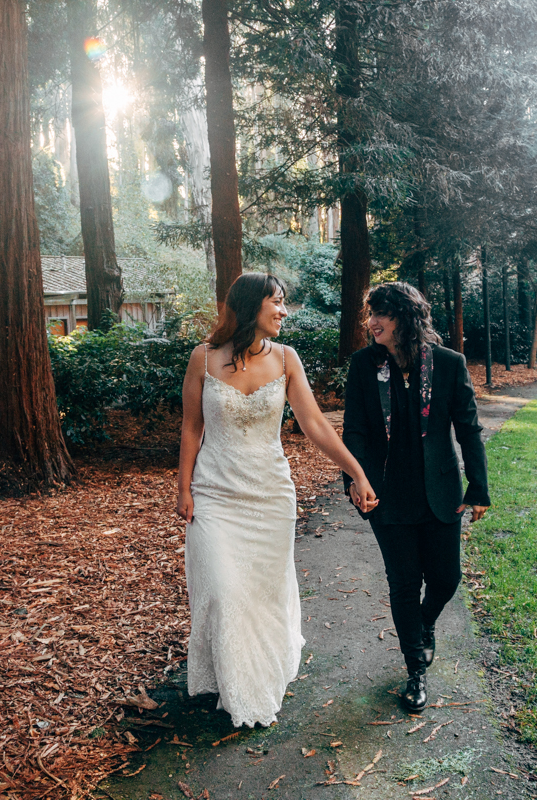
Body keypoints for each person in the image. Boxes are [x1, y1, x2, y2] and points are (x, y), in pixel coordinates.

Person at [176, 272, 378, 728]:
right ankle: (233, 680)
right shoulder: (202, 358)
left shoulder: (287, 359)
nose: (284, 311)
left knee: (262, 592)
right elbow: (192, 427)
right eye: (278, 302)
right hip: (214, 493)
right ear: (251, 306)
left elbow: (316, 425)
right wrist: (183, 487)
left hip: (270, 494)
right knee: (225, 590)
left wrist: (356, 471)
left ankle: (256, 678)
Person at [341, 282, 490, 713]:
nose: (371, 323)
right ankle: (416, 670)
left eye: (380, 314)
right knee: (404, 584)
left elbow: (468, 428)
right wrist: (354, 478)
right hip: (386, 496)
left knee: (446, 579)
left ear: (404, 318)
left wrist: (478, 487)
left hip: (440, 492)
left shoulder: (447, 364)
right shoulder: (364, 365)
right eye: (370, 314)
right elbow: (355, 430)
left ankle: (423, 626)